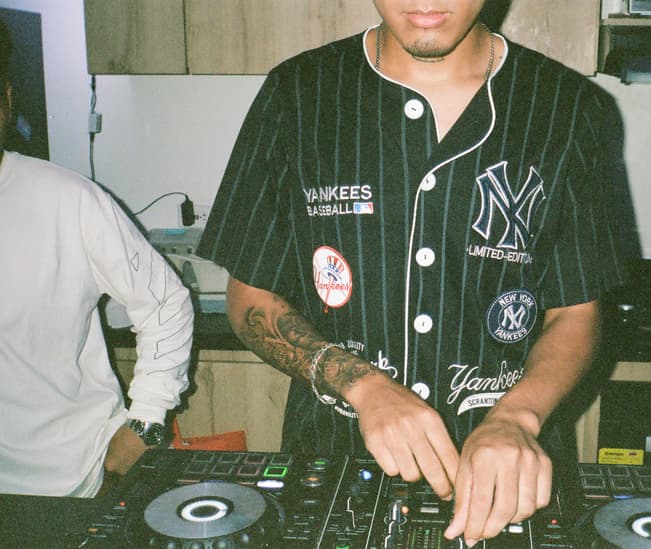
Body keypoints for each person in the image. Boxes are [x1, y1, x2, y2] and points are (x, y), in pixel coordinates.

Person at [198, 1, 626, 544]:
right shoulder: (296, 96)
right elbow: (250, 301)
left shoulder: (570, 108)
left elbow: (576, 314)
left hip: (506, 484)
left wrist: (517, 418)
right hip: (334, 470)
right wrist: (362, 387)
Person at [0, 19, 194, 498]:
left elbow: (166, 303)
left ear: (6, 99)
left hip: (72, 484)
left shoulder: (66, 200)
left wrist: (144, 423)